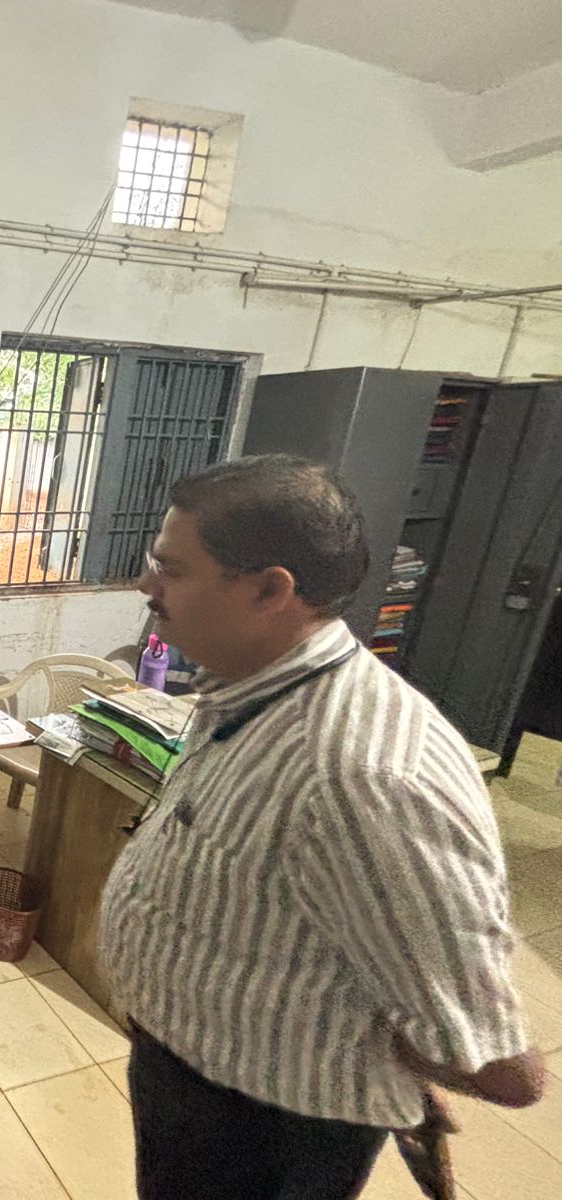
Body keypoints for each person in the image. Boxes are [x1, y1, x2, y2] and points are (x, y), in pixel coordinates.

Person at [98, 455, 544, 1200]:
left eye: (170, 570)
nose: (148, 586)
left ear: (270, 590)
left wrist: (364, 1046)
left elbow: (492, 1058)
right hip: (191, 1079)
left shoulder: (365, 775)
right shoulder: (251, 688)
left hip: (265, 1129)